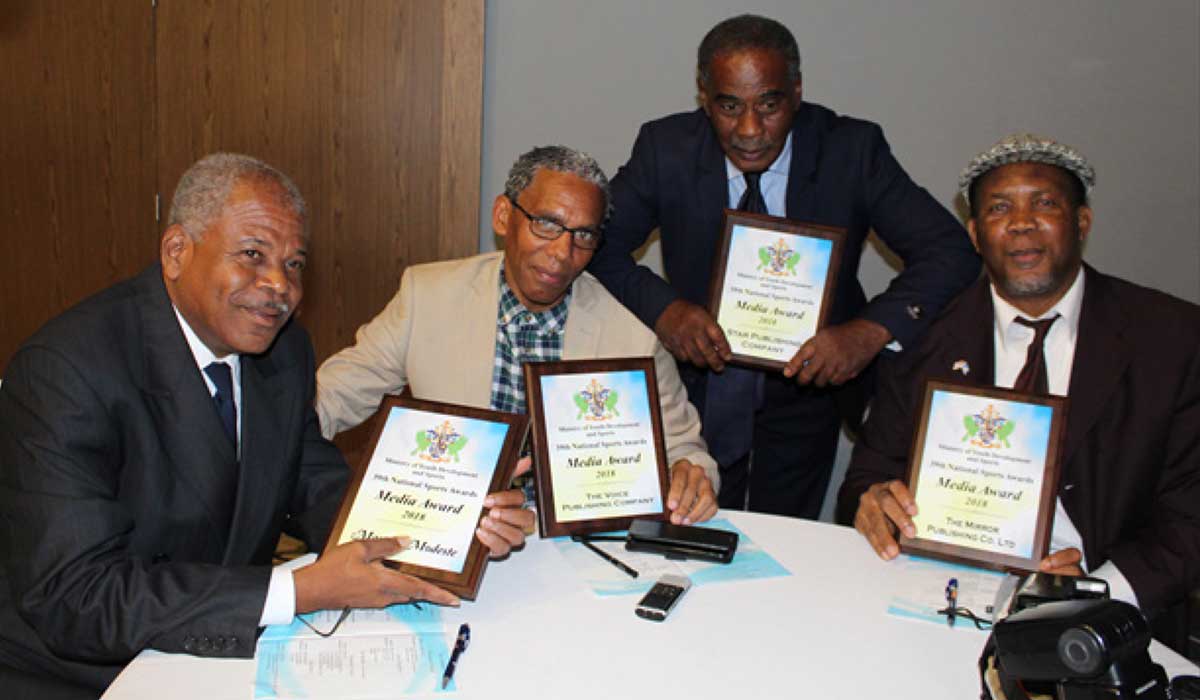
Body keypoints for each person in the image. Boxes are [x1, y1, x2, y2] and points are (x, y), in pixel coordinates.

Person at [0, 154, 490, 699]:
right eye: (253, 255)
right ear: (176, 252)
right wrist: (295, 591)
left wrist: (448, 525)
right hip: (85, 672)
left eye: (295, 264)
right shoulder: (68, 370)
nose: (279, 286)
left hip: (218, 641)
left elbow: (312, 478)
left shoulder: (283, 350)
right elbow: (77, 596)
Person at [588, 14, 980, 519]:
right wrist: (664, 311)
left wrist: (867, 333)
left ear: (796, 92)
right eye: (729, 106)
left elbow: (950, 250)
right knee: (690, 528)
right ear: (703, 97)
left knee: (789, 538)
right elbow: (597, 243)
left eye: (769, 105)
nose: (750, 130)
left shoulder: (851, 150)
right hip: (699, 383)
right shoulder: (665, 150)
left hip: (810, 385)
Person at [838, 133, 1200, 616]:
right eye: (998, 209)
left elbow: (1190, 514)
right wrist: (872, 502)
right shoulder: (925, 339)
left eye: (1044, 204)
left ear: (1082, 222)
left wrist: (1095, 593)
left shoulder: (1172, 338)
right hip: (945, 598)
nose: (1021, 224)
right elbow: (867, 475)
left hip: (1108, 611)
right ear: (974, 234)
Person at [317, 145, 719, 525]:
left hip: (578, 544)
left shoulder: (633, 332)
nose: (563, 253)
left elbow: (684, 450)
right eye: (546, 224)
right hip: (452, 530)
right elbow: (334, 396)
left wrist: (691, 476)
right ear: (503, 217)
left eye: (583, 235)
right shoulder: (428, 297)